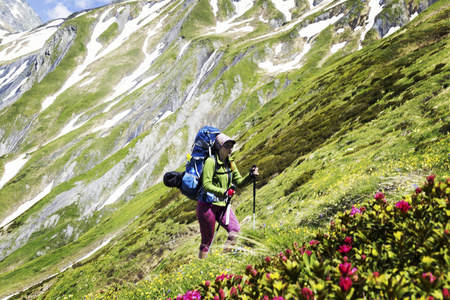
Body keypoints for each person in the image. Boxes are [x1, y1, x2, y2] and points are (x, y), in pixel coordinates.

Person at [196, 133, 259, 259]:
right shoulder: (210, 162)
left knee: (235, 230)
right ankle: (201, 266)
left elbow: (239, 182)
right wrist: (224, 191)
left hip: (223, 205)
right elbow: (207, 185)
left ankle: (225, 260)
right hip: (207, 206)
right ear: (219, 147)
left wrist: (250, 176)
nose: (230, 149)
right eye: (227, 146)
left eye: (231, 146)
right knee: (207, 240)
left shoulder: (230, 163)